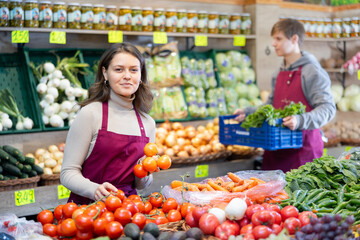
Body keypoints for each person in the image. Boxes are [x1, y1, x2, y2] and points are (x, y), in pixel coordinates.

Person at [234, 18, 336, 172]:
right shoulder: (279, 73)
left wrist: (300, 120)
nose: (273, 44)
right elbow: (271, 106)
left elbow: (328, 108)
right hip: (276, 152)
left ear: (294, 39)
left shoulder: (311, 72)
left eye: (278, 39)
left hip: (303, 153)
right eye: (273, 39)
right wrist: (248, 112)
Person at [60, 43, 155, 204]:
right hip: (87, 210)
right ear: (105, 73)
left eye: (133, 70)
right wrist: (94, 189)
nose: (127, 76)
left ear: (141, 75)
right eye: (119, 69)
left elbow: (140, 185)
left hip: (128, 210)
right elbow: (68, 172)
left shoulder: (148, 123)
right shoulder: (90, 114)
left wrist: (146, 172)